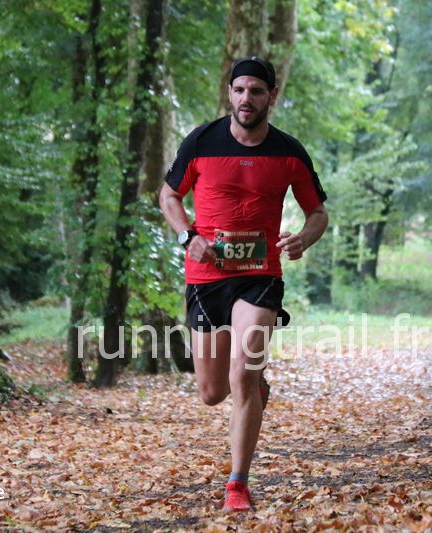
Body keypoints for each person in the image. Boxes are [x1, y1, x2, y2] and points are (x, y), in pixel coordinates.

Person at [159, 56, 328, 512]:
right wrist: (187, 236)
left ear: (272, 95)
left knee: (242, 375)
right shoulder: (201, 142)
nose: (246, 98)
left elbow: (317, 212)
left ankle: (238, 483)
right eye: (239, 90)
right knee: (213, 392)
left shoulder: (289, 152)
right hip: (207, 278)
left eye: (256, 90)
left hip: (260, 275)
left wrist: (304, 238)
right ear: (229, 93)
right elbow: (169, 195)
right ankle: (255, 388)